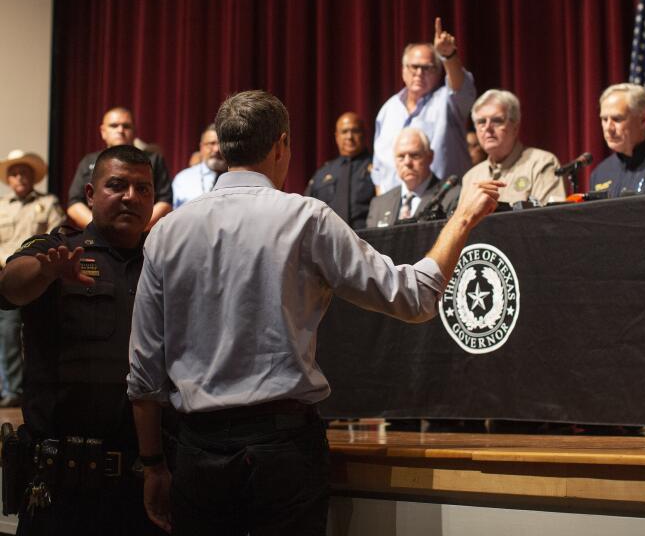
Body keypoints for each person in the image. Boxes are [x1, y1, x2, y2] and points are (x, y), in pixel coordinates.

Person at [126, 90, 501, 535]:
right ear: (281, 145)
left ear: (224, 147)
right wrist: (461, 220)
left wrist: (152, 466)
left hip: (195, 450)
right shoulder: (307, 219)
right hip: (282, 450)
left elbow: (144, 374)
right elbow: (412, 297)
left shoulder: (165, 234)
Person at [0, 145, 164, 535]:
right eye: (118, 185)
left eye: (143, 189)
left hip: (145, 482)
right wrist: (45, 272)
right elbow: (10, 288)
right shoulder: (57, 250)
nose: (131, 197)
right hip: (65, 486)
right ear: (90, 194)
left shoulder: (164, 263)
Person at [372, 17, 476, 192]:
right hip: (396, 209)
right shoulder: (388, 110)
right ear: (403, 70)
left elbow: (461, 88)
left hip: (442, 204)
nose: (419, 73)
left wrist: (448, 56)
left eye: (427, 68)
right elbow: (379, 170)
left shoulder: (447, 102)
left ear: (438, 71)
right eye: (414, 67)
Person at [0, 151, 64, 408]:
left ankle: (33, 391)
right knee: (7, 334)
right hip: (4, 277)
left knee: (39, 334)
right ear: (9, 179)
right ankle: (12, 390)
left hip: (40, 276)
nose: (20, 177)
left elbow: (56, 234)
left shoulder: (48, 203)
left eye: (25, 172)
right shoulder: (1, 205)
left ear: (33, 176)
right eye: (15, 173)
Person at [67, 107, 172, 230]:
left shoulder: (154, 160)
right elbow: (74, 203)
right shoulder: (88, 161)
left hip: (143, 237)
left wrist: (136, 228)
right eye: (114, 126)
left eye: (126, 126)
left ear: (134, 131)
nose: (120, 130)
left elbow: (165, 202)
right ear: (103, 131)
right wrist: (101, 229)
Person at [459, 89, 566, 206]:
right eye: (481, 122)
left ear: (515, 126)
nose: (488, 128)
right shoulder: (471, 178)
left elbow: (550, 219)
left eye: (497, 120)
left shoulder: (541, 163)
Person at [366, 128, 460, 228]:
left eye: (414, 155)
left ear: (430, 157)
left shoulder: (452, 197)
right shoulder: (379, 205)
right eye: (401, 156)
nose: (407, 162)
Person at [304, 112, 375, 229]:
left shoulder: (377, 168)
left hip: (368, 240)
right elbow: (308, 210)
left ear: (364, 134)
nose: (349, 137)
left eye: (355, 131)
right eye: (344, 132)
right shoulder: (323, 173)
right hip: (329, 242)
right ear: (337, 136)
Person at [172, 124, 227, 208]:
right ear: (201, 147)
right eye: (211, 143)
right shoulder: (183, 179)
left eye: (221, 144)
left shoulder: (238, 176)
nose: (216, 149)